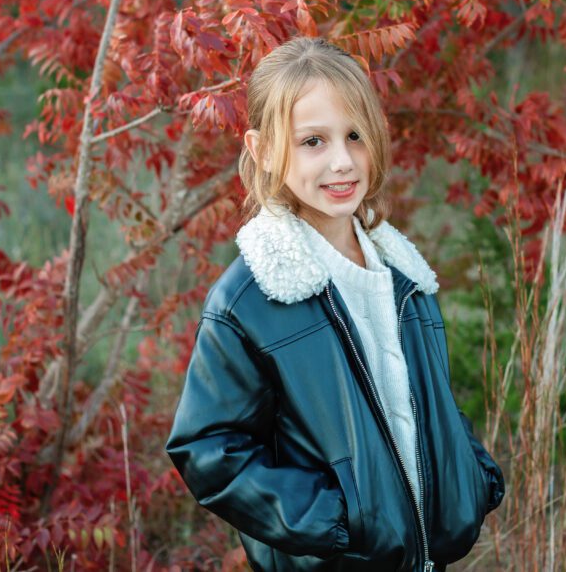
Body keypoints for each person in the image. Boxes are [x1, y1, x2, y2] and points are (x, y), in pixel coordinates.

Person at [165, 37, 504, 572]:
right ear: (260, 149)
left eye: (354, 136)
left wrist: (473, 474)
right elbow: (209, 450)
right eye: (313, 142)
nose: (342, 162)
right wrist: (337, 523)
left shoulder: (404, 277)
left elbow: (428, 404)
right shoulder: (250, 300)